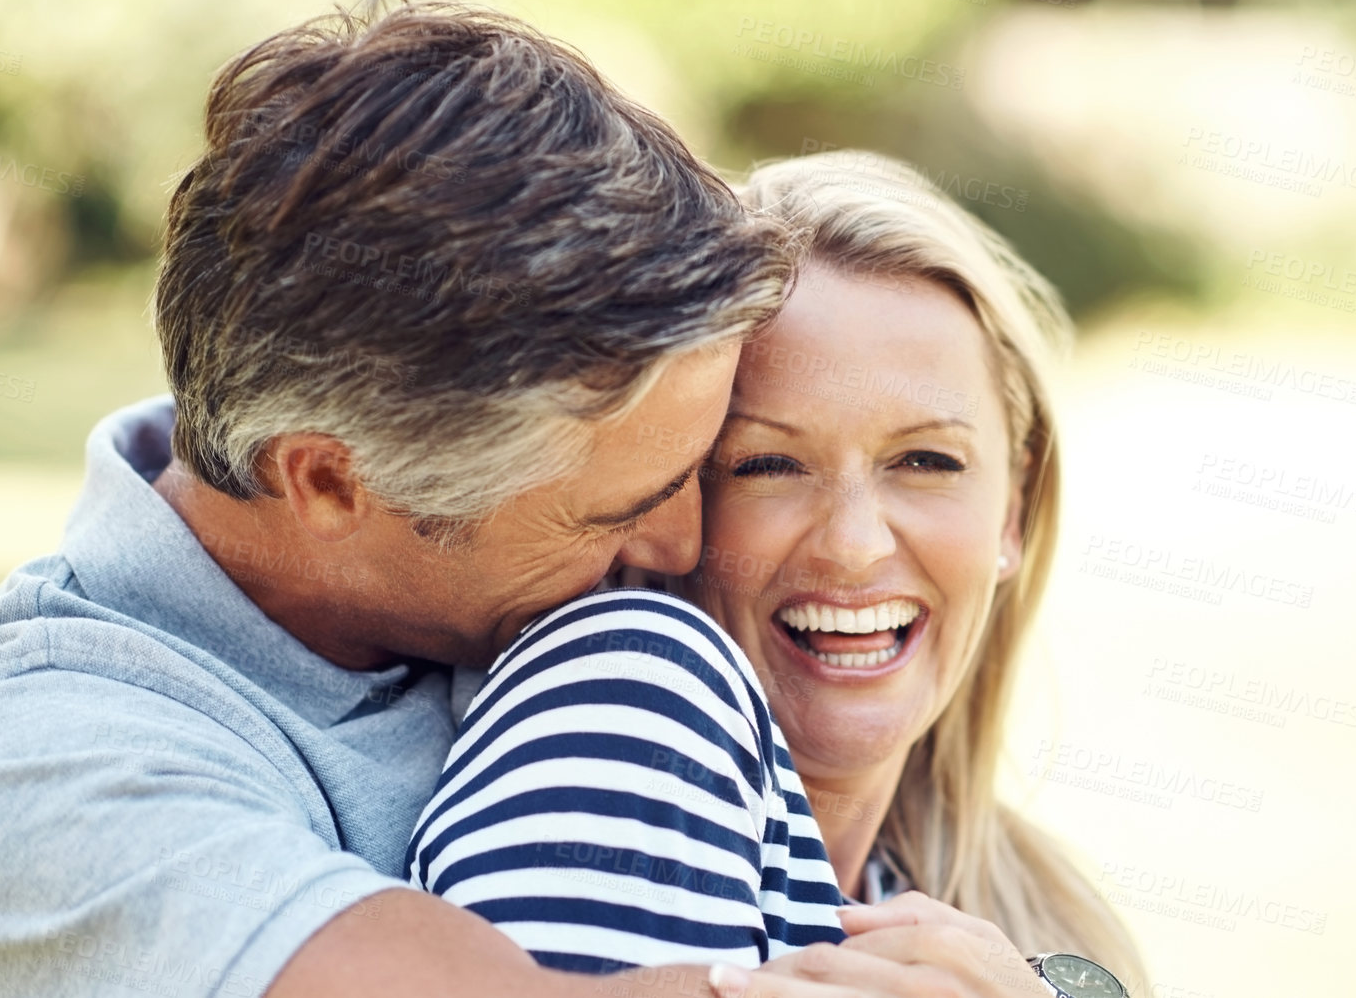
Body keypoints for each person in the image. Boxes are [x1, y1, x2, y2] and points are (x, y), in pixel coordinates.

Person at [0, 0, 981, 998]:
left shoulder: (494, 598)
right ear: (326, 482)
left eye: (698, 471)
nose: (680, 546)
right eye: (613, 511)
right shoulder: (31, 765)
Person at [407, 151, 1146, 994]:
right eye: (766, 465)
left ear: (1010, 512)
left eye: (927, 459)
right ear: (665, 500)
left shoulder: (1048, 922)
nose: (855, 545)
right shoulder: (632, 698)